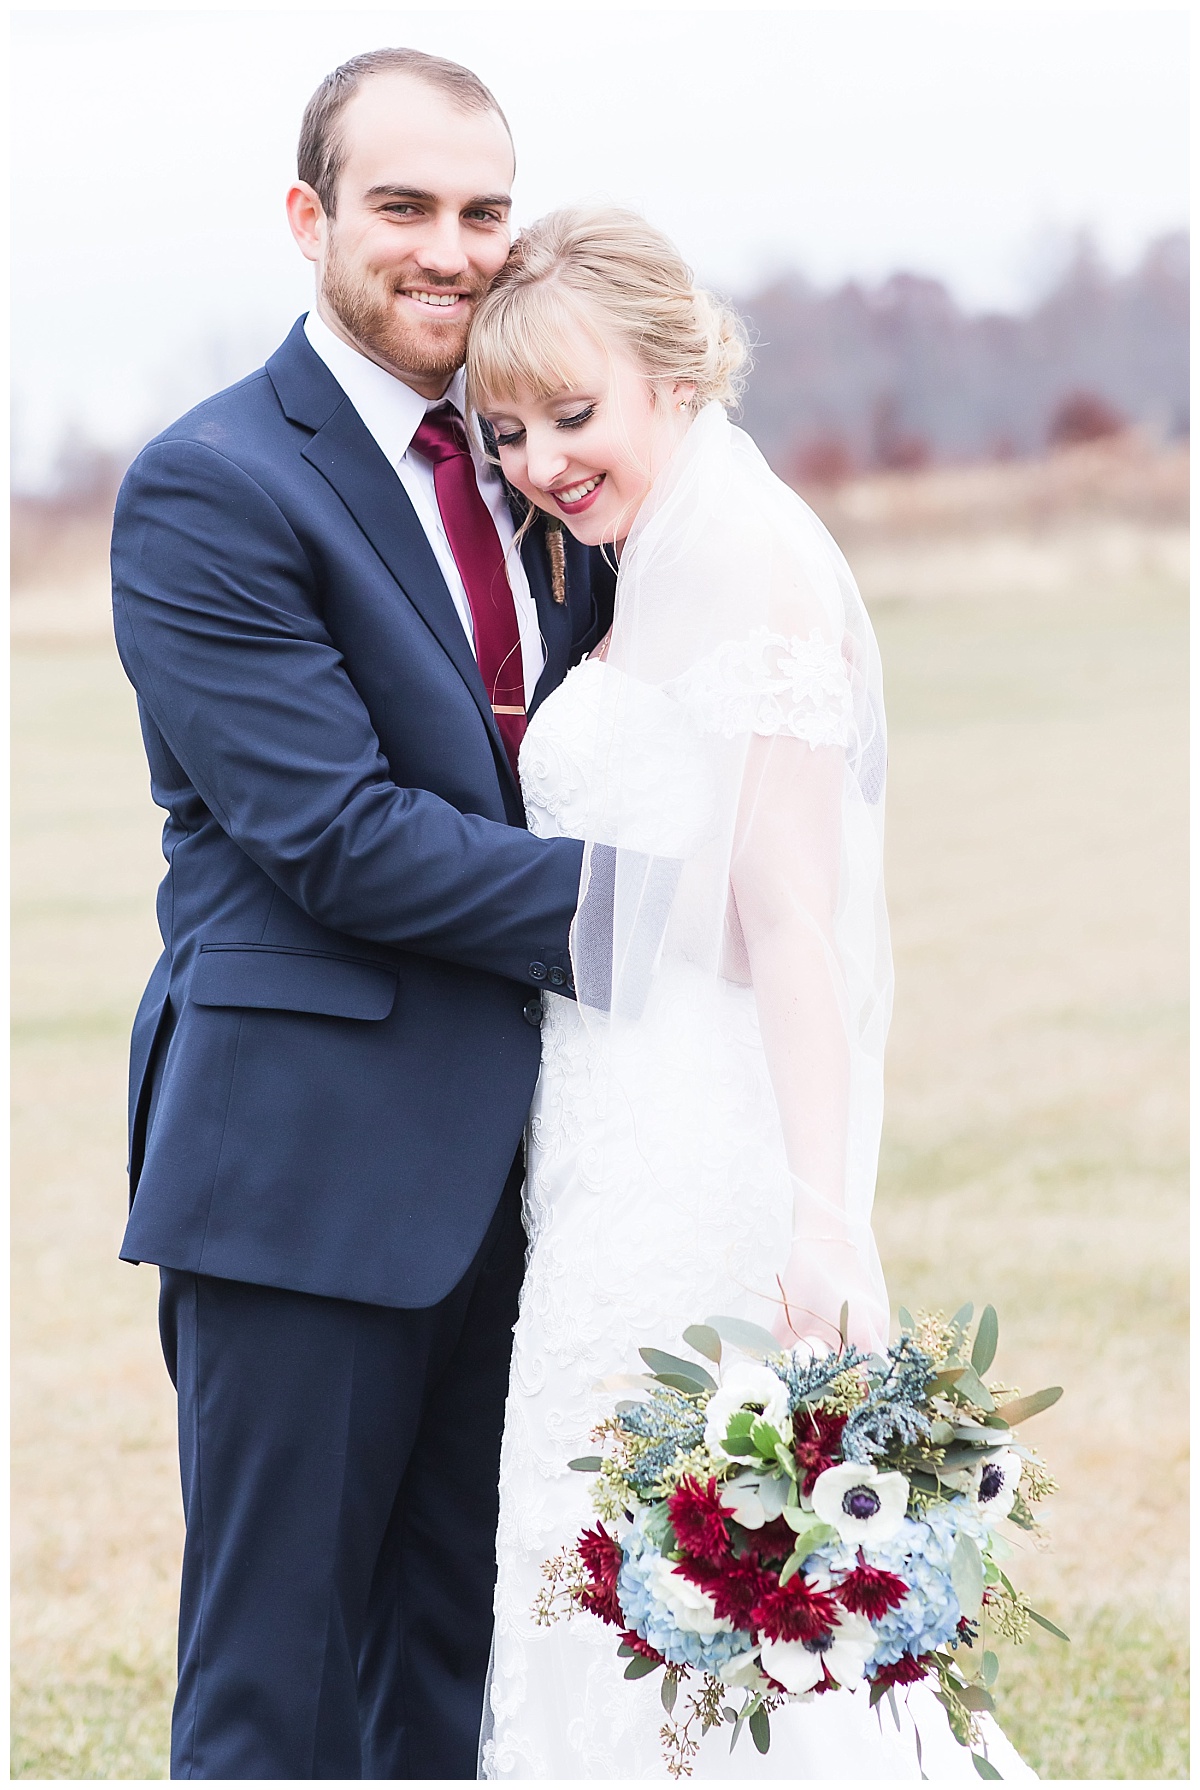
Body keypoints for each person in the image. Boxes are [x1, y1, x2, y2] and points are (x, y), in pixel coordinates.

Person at [467, 207, 1035, 1779]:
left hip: (701, 1144)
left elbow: (793, 923)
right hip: (601, 1134)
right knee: (585, 1549)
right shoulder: (639, 568)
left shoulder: (757, 562)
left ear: (671, 367)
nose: (542, 462)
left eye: (575, 415)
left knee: (708, 1576)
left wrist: (824, 1222)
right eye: (509, 431)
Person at [110, 51, 613, 1780]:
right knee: (281, 1697)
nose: (452, 252)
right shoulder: (214, 483)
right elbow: (336, 835)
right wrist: (665, 915)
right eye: (404, 207)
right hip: (310, 1176)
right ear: (312, 218)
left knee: (463, 1686)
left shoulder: (537, 457)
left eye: (484, 211)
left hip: (539, 1175)